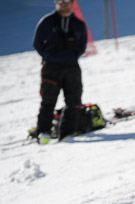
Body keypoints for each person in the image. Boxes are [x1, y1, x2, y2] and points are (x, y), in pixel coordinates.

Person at [32, 0, 87, 144]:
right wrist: (49, 56)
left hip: (72, 67)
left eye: (67, 1)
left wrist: (72, 56)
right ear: (56, 3)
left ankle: (67, 133)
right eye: (60, 1)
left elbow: (82, 46)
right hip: (52, 67)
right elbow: (37, 43)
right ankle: (43, 132)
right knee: (48, 101)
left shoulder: (78, 24)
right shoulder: (47, 22)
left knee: (74, 100)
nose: (64, 4)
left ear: (72, 3)